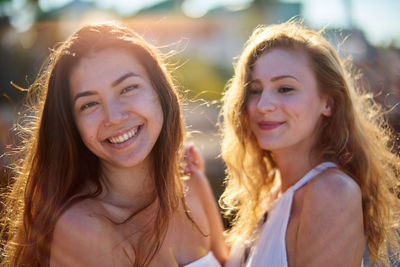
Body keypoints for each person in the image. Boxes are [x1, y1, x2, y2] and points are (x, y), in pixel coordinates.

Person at [0, 22, 228, 266]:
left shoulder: (191, 183)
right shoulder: (83, 228)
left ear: (159, 92)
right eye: (89, 104)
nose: (114, 117)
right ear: (72, 124)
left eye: (128, 88)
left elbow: (228, 260)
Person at [219, 20, 400, 266]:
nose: (263, 105)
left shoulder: (331, 193)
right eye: (254, 90)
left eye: (284, 89)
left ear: (329, 103)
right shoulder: (273, 191)